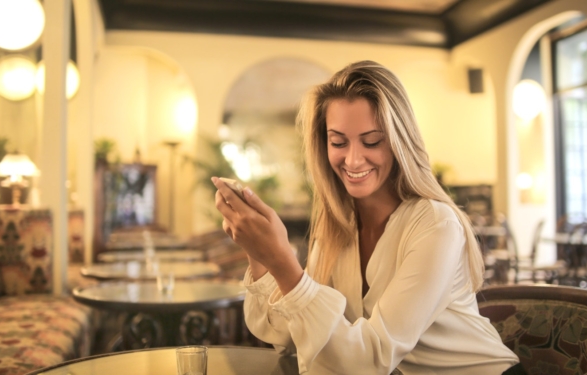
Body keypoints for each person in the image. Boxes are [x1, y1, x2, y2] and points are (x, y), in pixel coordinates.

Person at [212, 60, 521, 374]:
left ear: (400, 141)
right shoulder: (337, 227)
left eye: (372, 141)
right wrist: (258, 252)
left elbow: (370, 360)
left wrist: (281, 259)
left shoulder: (435, 226)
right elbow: (286, 335)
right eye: (338, 142)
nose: (353, 159)